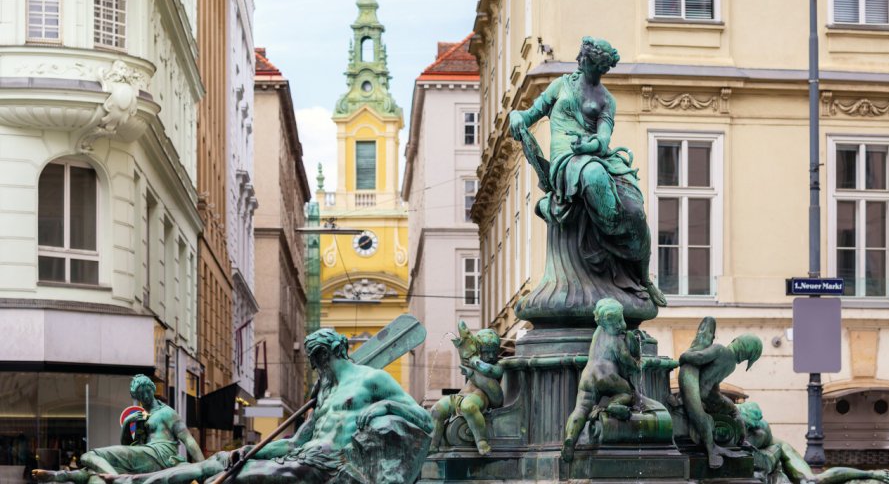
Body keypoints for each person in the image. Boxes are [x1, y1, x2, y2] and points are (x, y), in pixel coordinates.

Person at [104, 329, 433, 484]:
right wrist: (251, 450)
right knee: (225, 460)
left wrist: (385, 407)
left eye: (320, 356)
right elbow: (295, 441)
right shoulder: (324, 392)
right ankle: (131, 481)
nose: (318, 364)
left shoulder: (372, 380)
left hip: (333, 466)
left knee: (242, 476)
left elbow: (424, 420)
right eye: (314, 359)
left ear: (335, 350)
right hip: (303, 455)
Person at [509, 37, 666, 309]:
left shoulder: (606, 100)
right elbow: (529, 114)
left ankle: (642, 277)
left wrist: (591, 144)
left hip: (595, 155)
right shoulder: (560, 86)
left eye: (595, 66)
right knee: (593, 175)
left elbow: (603, 139)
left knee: (635, 210)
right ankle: (609, 239)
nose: (586, 68)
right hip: (566, 159)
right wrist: (515, 116)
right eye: (586, 62)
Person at [561, 299, 675, 462]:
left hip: (588, 375)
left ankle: (570, 438)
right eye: (619, 322)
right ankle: (614, 405)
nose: (622, 324)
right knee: (626, 392)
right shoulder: (616, 339)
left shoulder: (598, 331)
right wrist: (637, 363)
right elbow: (625, 358)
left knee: (581, 408)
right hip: (608, 375)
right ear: (610, 323)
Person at [33, 375, 203, 484]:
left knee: (89, 456)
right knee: (93, 475)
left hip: (159, 455)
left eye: (147, 391)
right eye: (140, 393)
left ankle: (116, 480)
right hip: (142, 456)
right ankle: (64, 476)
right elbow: (127, 445)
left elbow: (188, 439)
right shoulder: (140, 416)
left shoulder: (166, 412)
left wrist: (203, 466)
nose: (145, 396)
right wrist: (129, 423)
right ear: (136, 396)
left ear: (152, 389)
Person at [675, 318, 763, 469]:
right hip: (707, 395)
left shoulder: (721, 350)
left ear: (737, 341)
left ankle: (712, 451)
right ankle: (738, 436)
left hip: (696, 393)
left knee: (702, 417)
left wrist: (684, 357)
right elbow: (714, 384)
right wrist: (721, 401)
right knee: (731, 409)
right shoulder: (731, 365)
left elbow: (700, 358)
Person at [739, 401, 889, 484]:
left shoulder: (760, 430)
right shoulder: (724, 423)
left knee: (811, 481)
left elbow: (773, 451)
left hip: (779, 448)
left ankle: (871, 473)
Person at [430, 321, 503, 455]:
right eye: (487, 352)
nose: (491, 356)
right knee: (436, 410)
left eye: (494, 352)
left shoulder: (498, 365)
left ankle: (482, 442)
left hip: (481, 396)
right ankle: (433, 446)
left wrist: (475, 362)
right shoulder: (473, 361)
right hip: (462, 395)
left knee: (468, 406)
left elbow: (490, 371)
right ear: (479, 350)